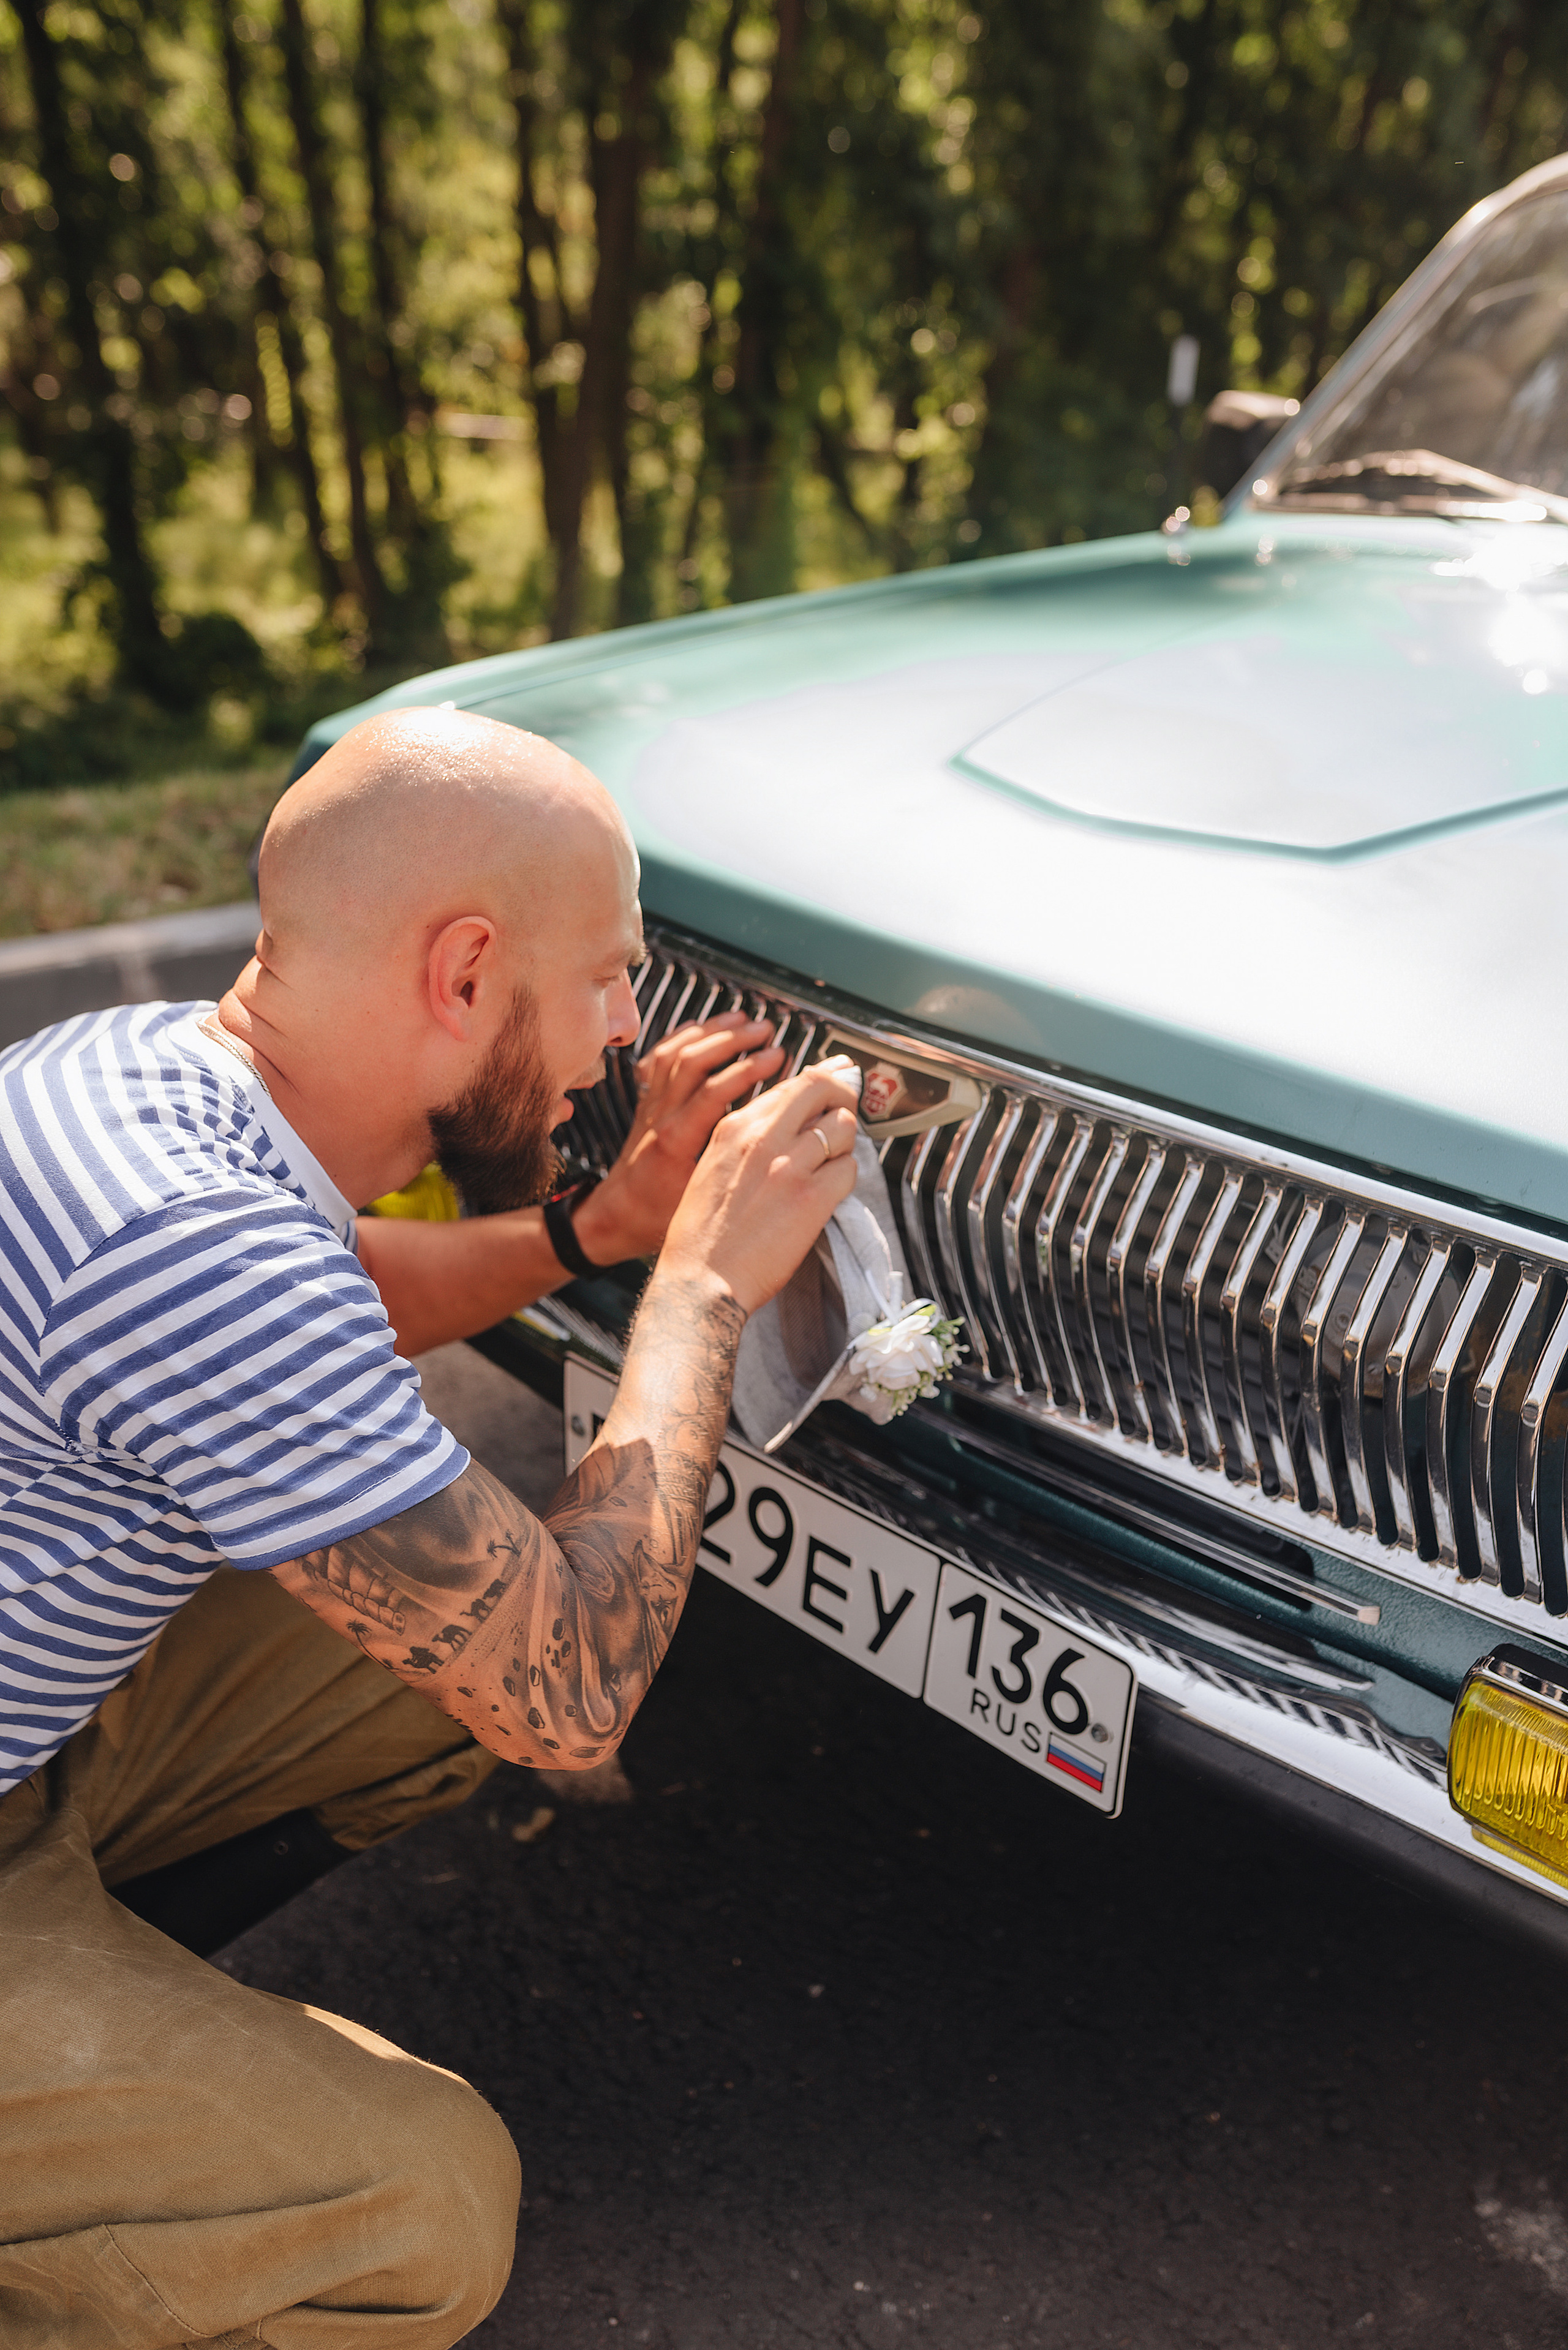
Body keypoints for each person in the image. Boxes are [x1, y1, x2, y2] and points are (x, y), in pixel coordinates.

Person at [0, 707, 861, 2350]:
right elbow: (567, 1697)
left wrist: (596, 1226)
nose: (624, 1034)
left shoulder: (152, 1082)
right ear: (463, 975)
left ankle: (91, 2029)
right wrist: (698, 1290)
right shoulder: (188, 1250)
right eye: (610, 975)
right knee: (424, 2212)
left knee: (414, 1660)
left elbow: (339, 1296)